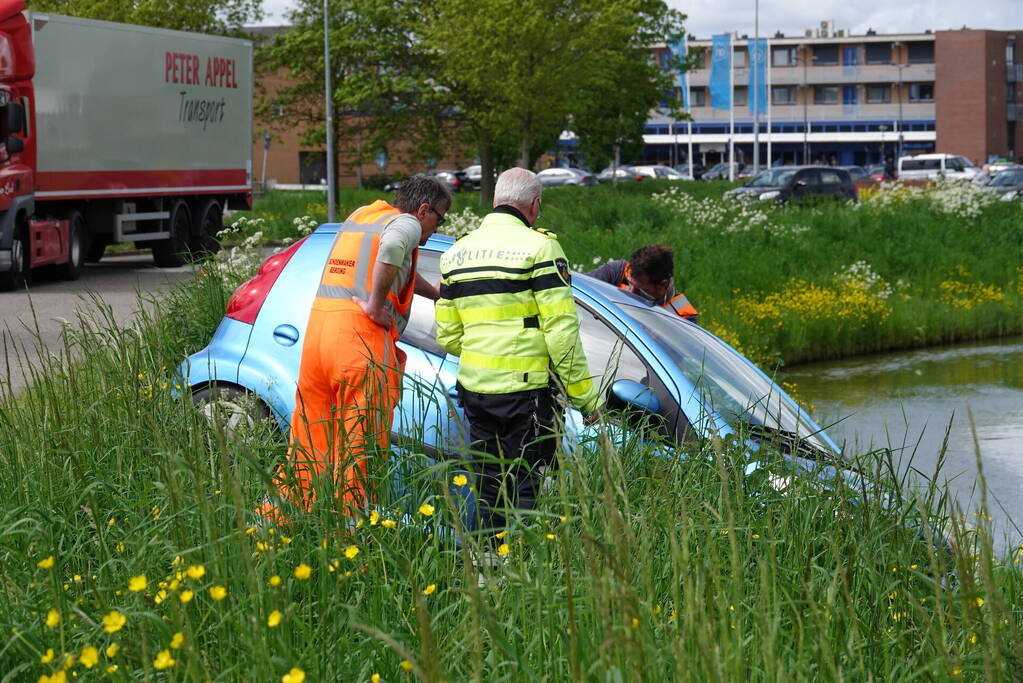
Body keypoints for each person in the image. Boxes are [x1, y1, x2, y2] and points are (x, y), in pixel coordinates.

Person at [266, 175, 450, 519]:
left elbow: (385, 263)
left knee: (309, 441)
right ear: (424, 210)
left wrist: (435, 293)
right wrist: (375, 305)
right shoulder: (407, 223)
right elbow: (393, 248)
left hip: (319, 337)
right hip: (358, 344)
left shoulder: (363, 216)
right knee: (360, 445)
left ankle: (278, 521)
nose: (435, 229)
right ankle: (348, 530)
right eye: (439, 220)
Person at [435, 167, 603, 532]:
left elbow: (447, 337)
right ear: (535, 205)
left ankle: (485, 555)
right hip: (525, 392)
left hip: (475, 389)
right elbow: (561, 333)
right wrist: (587, 399)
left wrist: (485, 348)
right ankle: (522, 559)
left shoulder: (456, 253)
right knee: (526, 483)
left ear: (495, 201)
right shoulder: (541, 248)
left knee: (488, 483)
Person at [587, 244, 699, 322]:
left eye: (640, 290)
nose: (630, 292)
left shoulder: (683, 315)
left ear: (663, 285)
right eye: (629, 284)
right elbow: (579, 292)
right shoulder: (616, 271)